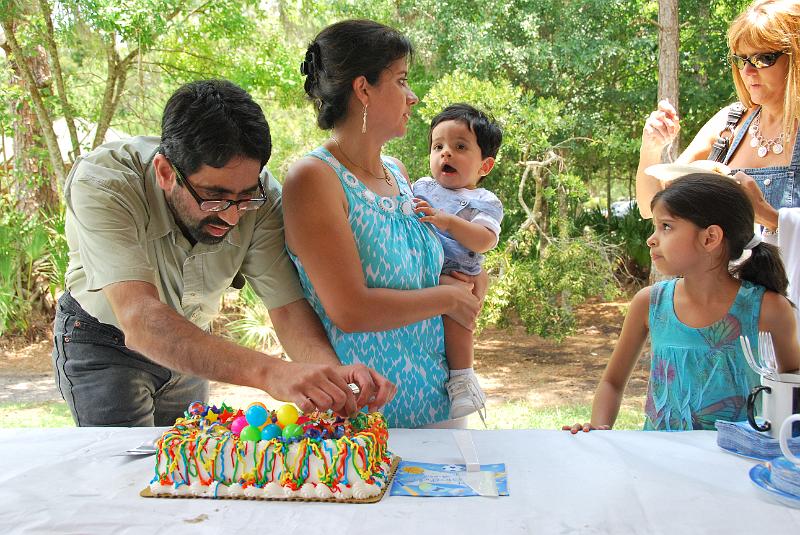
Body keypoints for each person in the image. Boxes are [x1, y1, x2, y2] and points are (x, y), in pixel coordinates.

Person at [52, 79, 395, 427]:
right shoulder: (104, 183)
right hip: (103, 342)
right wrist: (271, 373)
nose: (232, 215)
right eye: (213, 197)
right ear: (166, 172)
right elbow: (140, 319)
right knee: (124, 475)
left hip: (191, 345)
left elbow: (288, 308)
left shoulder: (263, 197)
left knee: (186, 470)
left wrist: (331, 377)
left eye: (245, 196)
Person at [283, 20, 481, 428]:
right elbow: (350, 310)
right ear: (364, 89)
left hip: (439, 405)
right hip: (366, 420)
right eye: (402, 80)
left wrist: (468, 276)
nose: (414, 96)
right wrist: (449, 299)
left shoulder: (398, 172)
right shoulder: (314, 179)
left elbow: (427, 272)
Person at [564, 173, 800, 433]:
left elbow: (792, 387)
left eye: (666, 226)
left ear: (710, 238)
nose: (651, 239)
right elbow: (612, 382)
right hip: (658, 465)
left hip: (734, 468)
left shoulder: (768, 309)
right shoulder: (650, 303)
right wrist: (599, 430)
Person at [412, 104, 504, 419]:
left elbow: (485, 239)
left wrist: (448, 221)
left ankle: (463, 379)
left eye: (460, 147)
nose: (445, 154)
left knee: (458, 321)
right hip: (420, 270)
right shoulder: (422, 187)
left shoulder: (484, 201)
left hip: (456, 273)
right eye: (438, 146)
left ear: (485, 165)